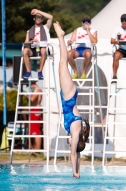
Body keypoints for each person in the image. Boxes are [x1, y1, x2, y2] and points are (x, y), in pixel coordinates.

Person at [53, 21, 90, 178]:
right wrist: (74, 173)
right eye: (73, 145)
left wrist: (78, 171)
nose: (70, 144)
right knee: (62, 63)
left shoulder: (77, 133)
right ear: (77, 143)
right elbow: (74, 155)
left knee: (61, 65)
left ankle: (62, 38)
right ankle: (61, 37)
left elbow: (78, 155)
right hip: (69, 97)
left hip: (68, 96)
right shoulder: (75, 134)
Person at [22, 9, 53, 80]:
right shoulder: (29, 31)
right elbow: (26, 43)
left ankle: (40, 71)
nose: (38, 19)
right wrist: (32, 41)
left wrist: (38, 11)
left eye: (40, 18)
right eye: (37, 17)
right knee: (25, 51)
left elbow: (50, 17)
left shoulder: (46, 27)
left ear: (42, 20)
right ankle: (28, 71)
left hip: (43, 48)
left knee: (43, 50)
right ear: (34, 19)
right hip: (33, 49)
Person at [111, 14, 126, 83]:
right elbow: (111, 41)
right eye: (122, 20)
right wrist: (117, 42)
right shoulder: (117, 29)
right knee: (116, 55)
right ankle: (114, 75)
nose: (124, 22)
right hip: (122, 49)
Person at [23, 81, 43, 153]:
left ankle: (37, 149)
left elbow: (32, 99)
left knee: (36, 131)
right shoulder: (35, 90)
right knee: (32, 131)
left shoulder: (37, 90)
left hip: (36, 110)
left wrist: (28, 95)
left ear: (32, 84)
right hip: (33, 110)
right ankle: (33, 148)